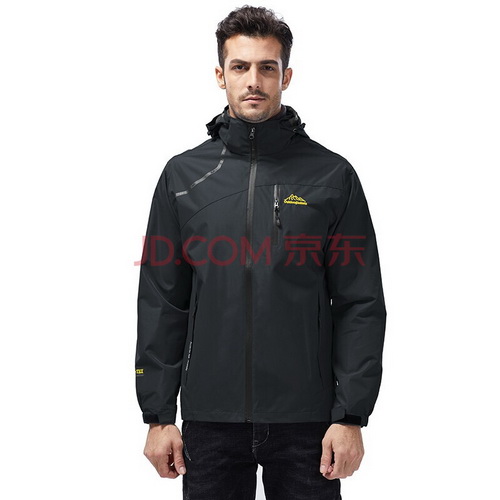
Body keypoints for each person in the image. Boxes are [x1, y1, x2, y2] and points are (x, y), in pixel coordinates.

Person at [135, 5, 387, 499]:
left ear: (285, 76)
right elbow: (162, 301)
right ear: (220, 75)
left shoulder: (332, 176)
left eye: (267, 67)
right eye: (240, 66)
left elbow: (360, 302)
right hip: (210, 420)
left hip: (309, 424)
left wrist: (351, 416)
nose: (253, 80)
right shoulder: (182, 177)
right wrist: (158, 415)